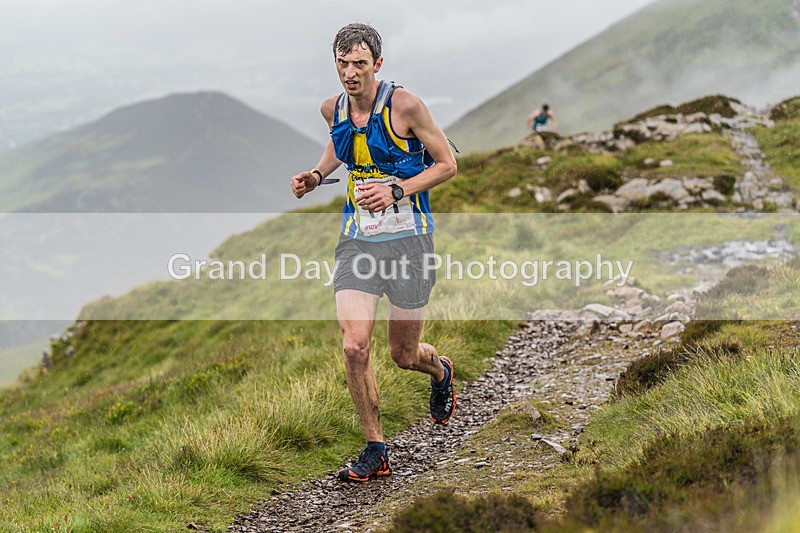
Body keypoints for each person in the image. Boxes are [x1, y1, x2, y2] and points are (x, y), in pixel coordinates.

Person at [290, 23, 458, 483]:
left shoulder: (405, 107)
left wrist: (397, 190)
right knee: (354, 345)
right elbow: (342, 147)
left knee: (404, 355)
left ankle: (440, 371)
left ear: (377, 65)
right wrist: (316, 176)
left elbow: (448, 164)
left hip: (409, 242)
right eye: (342, 63)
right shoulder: (333, 109)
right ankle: (376, 449)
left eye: (359, 63)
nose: (350, 73)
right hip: (358, 242)